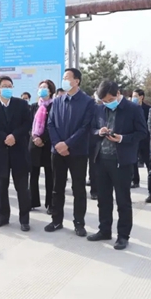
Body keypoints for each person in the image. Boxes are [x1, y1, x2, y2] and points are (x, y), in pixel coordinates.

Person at [88, 80, 147, 250]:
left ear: (118, 94)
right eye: (104, 101)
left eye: (110, 100)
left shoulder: (133, 109)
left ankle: (123, 236)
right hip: (101, 159)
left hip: (122, 161)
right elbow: (91, 129)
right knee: (103, 199)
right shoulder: (99, 108)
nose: (107, 103)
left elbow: (142, 133)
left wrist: (122, 138)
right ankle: (104, 230)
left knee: (123, 200)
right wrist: (99, 132)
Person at [46, 68, 95, 236]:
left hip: (78, 152)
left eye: (67, 78)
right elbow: (51, 123)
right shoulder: (57, 100)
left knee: (78, 189)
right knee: (57, 187)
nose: (64, 80)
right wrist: (58, 144)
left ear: (77, 81)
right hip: (57, 152)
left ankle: (79, 223)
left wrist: (67, 144)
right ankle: (56, 220)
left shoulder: (88, 102)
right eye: (63, 77)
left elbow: (85, 127)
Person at [0, 75, 33, 231]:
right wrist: (5, 137)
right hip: (0, 151)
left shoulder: (21, 104)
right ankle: (3, 216)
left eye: (10, 86)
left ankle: (24, 219)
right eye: (4, 86)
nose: (8, 89)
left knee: (22, 188)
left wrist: (14, 136)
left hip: (19, 151)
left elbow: (27, 123)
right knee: (1, 188)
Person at [30, 80, 56, 214]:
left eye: (45, 87)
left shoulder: (55, 106)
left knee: (50, 175)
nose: (42, 89)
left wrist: (43, 138)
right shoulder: (34, 106)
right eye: (40, 87)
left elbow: (53, 125)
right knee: (33, 174)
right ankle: (32, 201)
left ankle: (50, 203)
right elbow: (29, 124)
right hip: (34, 144)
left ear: (51, 91)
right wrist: (35, 138)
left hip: (48, 144)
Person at [131, 89, 151, 188]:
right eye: (132, 96)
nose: (133, 98)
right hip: (134, 138)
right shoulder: (130, 108)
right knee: (133, 161)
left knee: (148, 161)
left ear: (141, 97)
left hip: (145, 139)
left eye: (135, 96)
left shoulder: (148, 109)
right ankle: (135, 180)